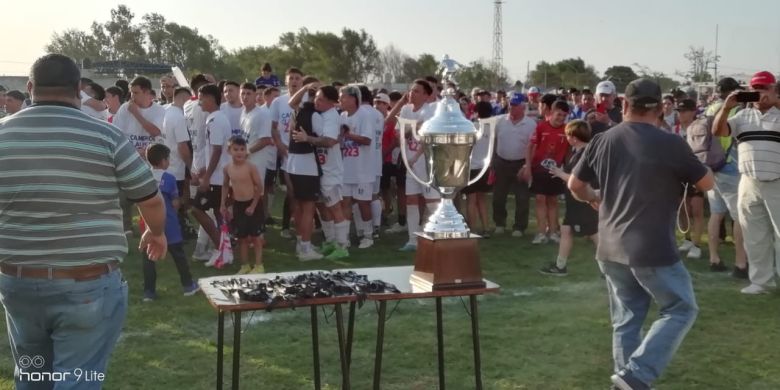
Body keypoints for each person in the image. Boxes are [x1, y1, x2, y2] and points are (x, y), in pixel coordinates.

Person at [0, 53, 166, 388]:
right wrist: (156, 232)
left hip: (19, 285)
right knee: (77, 380)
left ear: (30, 87)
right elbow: (149, 196)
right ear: (79, 89)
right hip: (86, 287)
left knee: (32, 377)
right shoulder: (105, 135)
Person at [570, 78, 713, 390]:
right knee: (681, 308)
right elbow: (707, 184)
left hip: (609, 245)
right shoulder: (672, 142)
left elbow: (575, 186)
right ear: (661, 108)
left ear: (624, 105)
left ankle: (626, 381)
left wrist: (595, 197)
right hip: (651, 246)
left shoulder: (602, 139)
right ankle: (636, 375)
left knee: (627, 319)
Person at [712, 71, 780, 295]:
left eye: (765, 88)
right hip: (749, 182)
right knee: (754, 234)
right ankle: (761, 282)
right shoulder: (742, 116)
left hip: (777, 181)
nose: (760, 93)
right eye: (756, 88)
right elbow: (717, 131)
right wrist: (726, 107)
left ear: (773, 90)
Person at [295, 85, 350, 259]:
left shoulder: (332, 117)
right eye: (316, 97)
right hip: (321, 170)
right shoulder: (321, 115)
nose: (316, 101)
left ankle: (342, 246)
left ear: (331, 102)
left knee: (334, 208)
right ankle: (332, 241)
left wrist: (307, 139)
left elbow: (330, 141)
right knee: (323, 208)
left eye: (320, 99)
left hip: (331, 171)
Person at [540, 120, 598, 275]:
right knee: (567, 230)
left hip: (582, 199)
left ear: (573, 137)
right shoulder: (580, 152)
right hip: (576, 200)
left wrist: (559, 173)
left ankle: (611, 267)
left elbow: (576, 180)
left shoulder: (583, 153)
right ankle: (560, 266)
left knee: (594, 233)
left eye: (567, 135)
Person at [704, 77, 748, 278]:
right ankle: (741, 262)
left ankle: (714, 258)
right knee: (738, 217)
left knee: (716, 213)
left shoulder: (709, 109)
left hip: (712, 167)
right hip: (731, 165)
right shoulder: (735, 110)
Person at [388, 80, 440, 251]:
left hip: (425, 162)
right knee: (411, 199)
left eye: (417, 91)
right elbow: (398, 134)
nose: (411, 94)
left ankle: (435, 235)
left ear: (426, 95)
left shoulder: (431, 109)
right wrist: (413, 127)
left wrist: (410, 129)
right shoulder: (405, 109)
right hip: (409, 161)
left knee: (432, 200)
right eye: (411, 90)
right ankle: (412, 239)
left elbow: (426, 134)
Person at [143, 144, 199, 301]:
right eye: (168, 158)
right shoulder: (169, 178)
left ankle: (149, 292)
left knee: (149, 258)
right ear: (163, 161)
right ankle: (188, 286)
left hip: (149, 223)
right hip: (169, 223)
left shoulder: (144, 176)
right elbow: (175, 202)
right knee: (179, 255)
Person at [522, 100, 571, 244]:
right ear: (551, 113)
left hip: (556, 171)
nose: (561, 118)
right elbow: (530, 147)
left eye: (564, 115)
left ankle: (554, 232)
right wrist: (528, 167)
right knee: (540, 199)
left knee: (553, 200)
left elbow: (568, 152)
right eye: (558, 114)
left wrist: (567, 170)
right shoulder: (541, 127)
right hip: (539, 169)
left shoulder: (567, 129)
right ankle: (541, 232)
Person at [286, 79, 324, 261]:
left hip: (293, 163)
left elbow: (291, 102)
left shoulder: (298, 111)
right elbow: (326, 139)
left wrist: (304, 88)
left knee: (300, 207)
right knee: (308, 208)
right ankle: (306, 249)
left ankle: (301, 243)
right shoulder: (314, 115)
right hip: (307, 164)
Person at [192, 84, 232, 252]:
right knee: (217, 212)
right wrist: (204, 170)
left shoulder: (216, 119)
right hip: (216, 175)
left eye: (201, 98)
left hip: (216, 178)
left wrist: (207, 177)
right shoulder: (215, 117)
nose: (199, 102)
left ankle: (222, 248)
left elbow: (217, 150)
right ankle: (224, 246)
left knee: (197, 209)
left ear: (210, 98)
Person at [492, 92, 536, 236]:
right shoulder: (500, 121)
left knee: (522, 197)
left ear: (523, 107)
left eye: (516, 105)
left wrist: (527, 166)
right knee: (498, 196)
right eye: (511, 104)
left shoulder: (530, 124)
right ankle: (499, 223)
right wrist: (493, 161)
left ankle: (519, 227)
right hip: (501, 162)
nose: (512, 107)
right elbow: (494, 141)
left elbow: (534, 146)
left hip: (521, 163)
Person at [220, 137, 265, 274]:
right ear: (229, 151)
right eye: (235, 149)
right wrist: (223, 204)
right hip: (238, 205)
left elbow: (259, 186)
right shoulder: (227, 168)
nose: (239, 152)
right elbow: (226, 185)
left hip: (253, 204)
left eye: (242, 149)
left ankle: (259, 265)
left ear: (246, 151)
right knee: (242, 238)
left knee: (256, 237)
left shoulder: (251, 167)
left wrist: (253, 205)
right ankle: (245, 265)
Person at [339, 85, 376, 249]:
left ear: (353, 99)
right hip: (347, 167)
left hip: (363, 168)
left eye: (343, 96)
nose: (340, 100)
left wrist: (349, 135)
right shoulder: (342, 116)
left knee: (363, 203)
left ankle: (368, 235)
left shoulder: (365, 115)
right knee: (345, 202)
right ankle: (344, 237)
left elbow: (367, 140)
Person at [271, 68, 304, 239]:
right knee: (291, 192)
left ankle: (304, 227)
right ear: (286, 81)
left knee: (304, 193)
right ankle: (286, 226)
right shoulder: (278, 102)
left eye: (297, 78)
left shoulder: (307, 100)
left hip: (305, 154)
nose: (294, 81)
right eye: (291, 78)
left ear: (302, 81)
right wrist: (280, 145)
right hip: (287, 153)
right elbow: (273, 127)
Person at [463, 101, 494, 236]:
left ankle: (472, 228)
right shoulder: (491, 128)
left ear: (476, 112)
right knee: (482, 199)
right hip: (485, 167)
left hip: (471, 167)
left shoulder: (472, 127)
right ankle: (486, 228)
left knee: (471, 200)